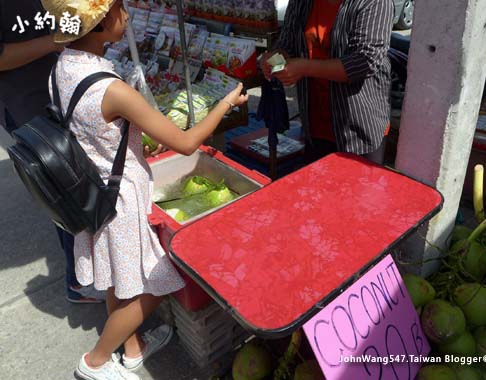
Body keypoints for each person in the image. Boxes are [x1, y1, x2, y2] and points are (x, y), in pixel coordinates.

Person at [41, 1, 248, 379]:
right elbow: (186, 143)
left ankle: (133, 348)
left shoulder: (62, 68)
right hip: (120, 200)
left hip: (93, 192)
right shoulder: (112, 89)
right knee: (158, 281)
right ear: (102, 22)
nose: (127, 17)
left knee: (118, 278)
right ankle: (96, 361)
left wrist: (132, 138)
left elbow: (93, 129)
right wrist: (224, 104)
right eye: (120, 11)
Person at [0, 0, 108, 303]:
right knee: (65, 188)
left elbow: (70, 23)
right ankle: (80, 282)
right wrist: (54, 41)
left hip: (65, 90)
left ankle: (91, 269)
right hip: (28, 105)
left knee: (81, 180)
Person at [259, 0, 394, 164]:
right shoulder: (302, 3)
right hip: (315, 121)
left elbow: (364, 62)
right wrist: (274, 58)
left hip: (358, 124)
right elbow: (288, 42)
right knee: (318, 185)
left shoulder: (375, 2)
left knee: (359, 186)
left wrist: (304, 68)